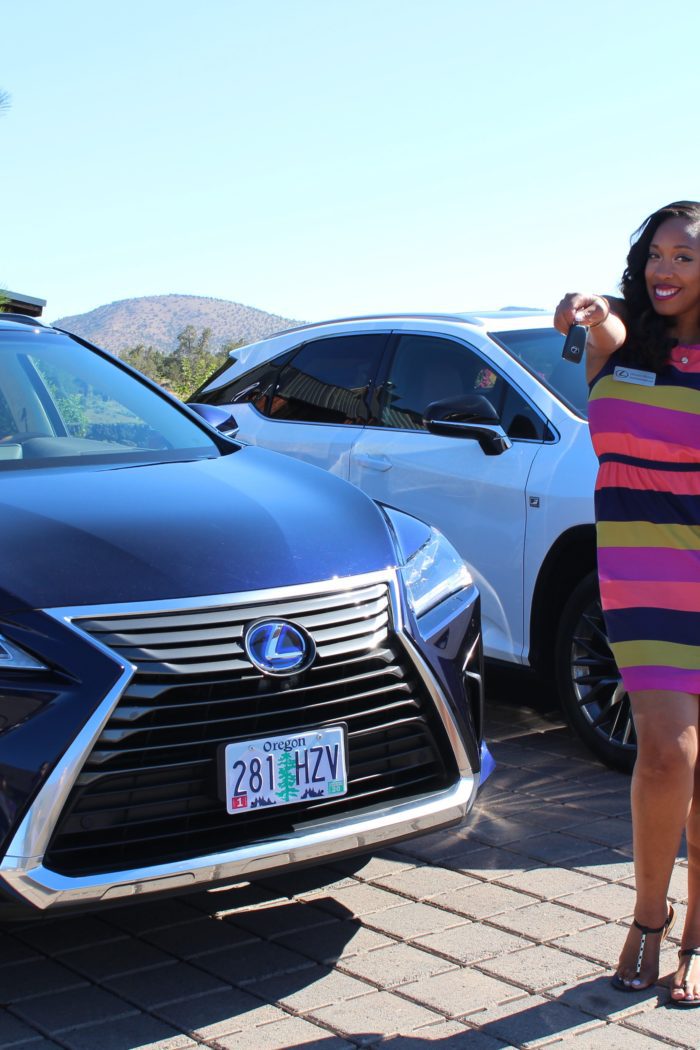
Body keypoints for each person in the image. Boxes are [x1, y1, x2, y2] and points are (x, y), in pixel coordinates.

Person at [554, 200, 700, 1007]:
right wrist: (580, 307)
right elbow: (591, 318)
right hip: (643, 576)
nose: (664, 270)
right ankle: (649, 915)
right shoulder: (621, 342)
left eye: (684, 256)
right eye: (656, 254)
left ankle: (698, 935)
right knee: (668, 753)